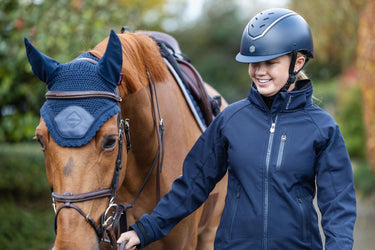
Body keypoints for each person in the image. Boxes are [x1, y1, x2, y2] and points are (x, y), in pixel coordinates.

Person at [118, 8, 357, 249]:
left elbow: (338, 206)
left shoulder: (323, 128)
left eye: (270, 63)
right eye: (254, 63)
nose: (259, 71)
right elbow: (193, 184)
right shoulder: (230, 119)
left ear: (298, 62)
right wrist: (146, 230)